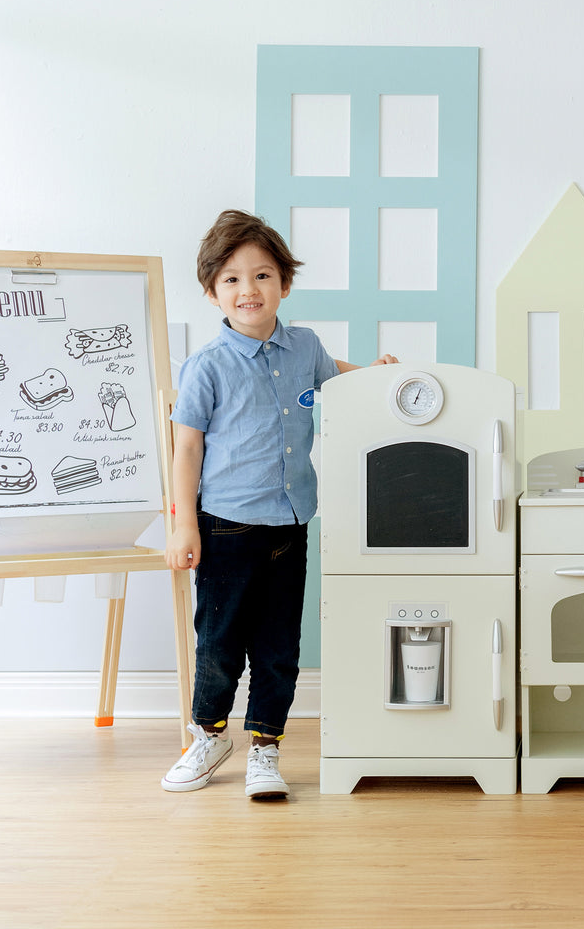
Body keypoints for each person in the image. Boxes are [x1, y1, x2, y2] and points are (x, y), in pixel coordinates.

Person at [161, 209, 397, 798]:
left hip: (289, 528)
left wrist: (373, 374)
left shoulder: (305, 348)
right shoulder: (206, 367)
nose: (249, 290)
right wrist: (182, 525)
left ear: (283, 285)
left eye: (262, 276)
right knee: (219, 644)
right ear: (213, 291)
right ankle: (209, 736)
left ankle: (266, 746)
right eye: (233, 279)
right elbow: (186, 449)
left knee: (277, 647)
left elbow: (334, 378)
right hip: (224, 530)